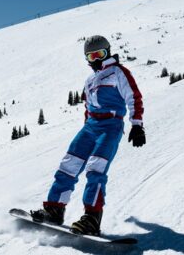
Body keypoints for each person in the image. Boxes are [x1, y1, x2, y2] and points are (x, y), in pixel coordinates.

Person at [30, 35, 146, 236]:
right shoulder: (90, 79)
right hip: (90, 126)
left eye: (100, 54)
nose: (96, 59)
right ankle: (54, 209)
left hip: (110, 125)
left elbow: (134, 98)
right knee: (68, 165)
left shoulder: (119, 72)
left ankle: (92, 218)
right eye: (91, 56)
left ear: (108, 52)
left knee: (95, 168)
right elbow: (88, 106)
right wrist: (86, 127)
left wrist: (136, 125)